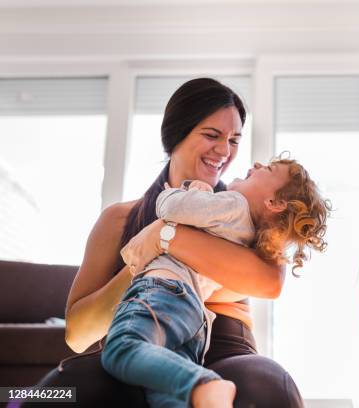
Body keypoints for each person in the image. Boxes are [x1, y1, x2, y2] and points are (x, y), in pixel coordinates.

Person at [26, 78, 306, 408]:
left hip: (222, 352)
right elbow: (78, 335)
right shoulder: (119, 219)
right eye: (212, 135)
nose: (225, 150)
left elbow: (270, 282)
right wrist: (143, 267)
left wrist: (164, 237)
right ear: (176, 135)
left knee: (265, 385)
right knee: (58, 393)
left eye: (234, 139)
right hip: (141, 343)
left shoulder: (245, 215)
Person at [101, 157, 330, 407]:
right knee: (165, 396)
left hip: (162, 292)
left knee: (122, 347)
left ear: (274, 203)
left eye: (268, 169)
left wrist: (180, 192)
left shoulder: (232, 204)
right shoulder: (246, 234)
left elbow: (171, 208)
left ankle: (204, 383)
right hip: (195, 319)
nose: (256, 164)